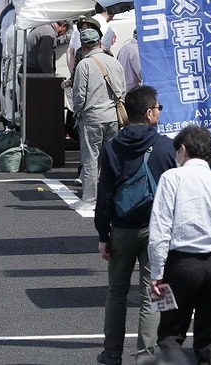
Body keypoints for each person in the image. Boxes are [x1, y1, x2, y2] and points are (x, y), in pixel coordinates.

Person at [149, 126, 211, 365]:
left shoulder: (171, 178)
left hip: (181, 265)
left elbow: (160, 230)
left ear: (182, 150)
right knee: (207, 340)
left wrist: (156, 273)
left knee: (170, 335)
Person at [93, 85, 176, 365]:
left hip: (122, 228)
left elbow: (104, 194)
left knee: (116, 291)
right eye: (158, 109)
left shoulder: (112, 147)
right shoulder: (167, 147)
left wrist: (103, 234)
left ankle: (112, 353)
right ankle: (147, 356)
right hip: (157, 231)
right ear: (150, 113)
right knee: (153, 292)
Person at [71, 28, 126, 211]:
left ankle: (89, 200)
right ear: (100, 42)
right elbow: (122, 91)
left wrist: (77, 113)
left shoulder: (84, 65)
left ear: (83, 47)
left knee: (90, 159)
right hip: (113, 117)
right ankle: (112, 197)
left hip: (92, 117)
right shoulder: (114, 62)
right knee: (111, 159)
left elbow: (79, 96)